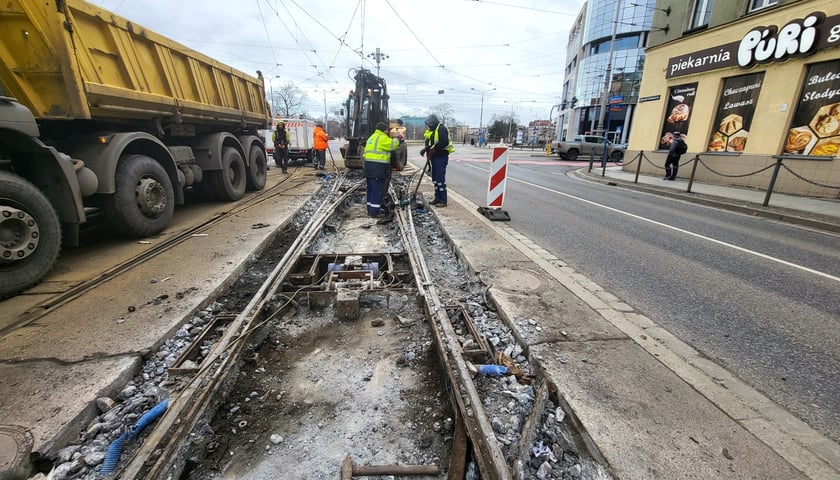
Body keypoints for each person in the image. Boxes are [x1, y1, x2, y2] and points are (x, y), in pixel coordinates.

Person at [364, 121, 398, 217]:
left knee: (370, 190)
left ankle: (370, 210)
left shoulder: (371, 138)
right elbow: (392, 145)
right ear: (384, 130)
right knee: (377, 190)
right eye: (387, 130)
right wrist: (398, 138)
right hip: (378, 169)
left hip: (369, 168)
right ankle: (374, 213)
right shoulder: (382, 138)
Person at [420, 114, 454, 207]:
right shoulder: (433, 130)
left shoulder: (441, 129)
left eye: (429, 125)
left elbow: (444, 142)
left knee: (440, 179)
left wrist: (434, 149)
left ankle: (443, 200)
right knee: (435, 179)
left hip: (441, 157)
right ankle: (437, 198)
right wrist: (425, 149)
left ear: (432, 123)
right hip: (434, 157)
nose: (428, 126)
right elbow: (431, 143)